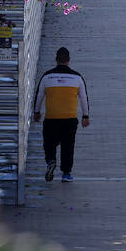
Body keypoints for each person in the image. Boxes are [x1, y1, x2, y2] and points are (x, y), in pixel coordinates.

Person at [32, 47, 90, 182]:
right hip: (70, 119)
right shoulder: (77, 77)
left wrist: (37, 112)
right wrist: (85, 116)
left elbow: (39, 95)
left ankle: (51, 160)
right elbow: (83, 98)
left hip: (51, 118)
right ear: (69, 60)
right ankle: (66, 173)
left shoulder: (47, 76)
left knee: (49, 143)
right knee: (68, 146)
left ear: (56, 60)